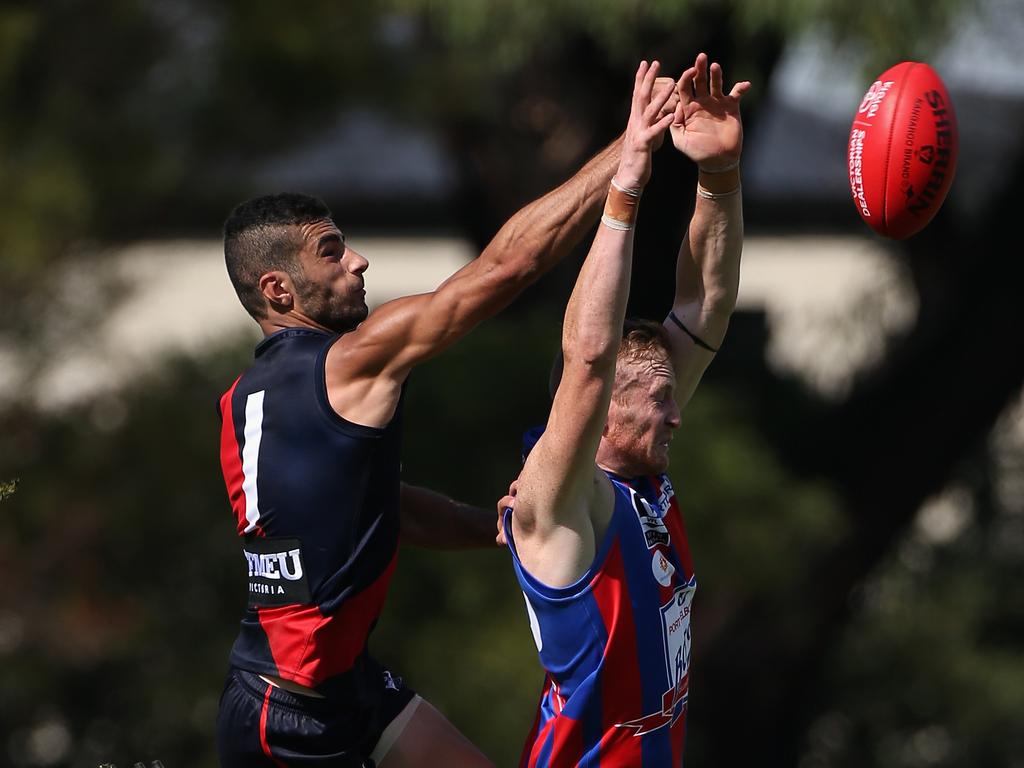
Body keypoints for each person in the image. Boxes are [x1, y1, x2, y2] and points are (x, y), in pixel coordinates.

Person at [212, 67, 680, 766]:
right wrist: (628, 155)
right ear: (278, 289)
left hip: (346, 692)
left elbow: (379, 507)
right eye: (332, 252)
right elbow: (502, 271)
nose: (358, 261)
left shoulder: (243, 396)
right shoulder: (346, 365)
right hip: (286, 719)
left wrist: (489, 528)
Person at [499, 52, 749, 766]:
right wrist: (627, 185)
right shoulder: (567, 498)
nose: (678, 417)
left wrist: (719, 175)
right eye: (658, 402)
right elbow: (586, 358)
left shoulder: (637, 473)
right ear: (601, 410)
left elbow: (707, 304)